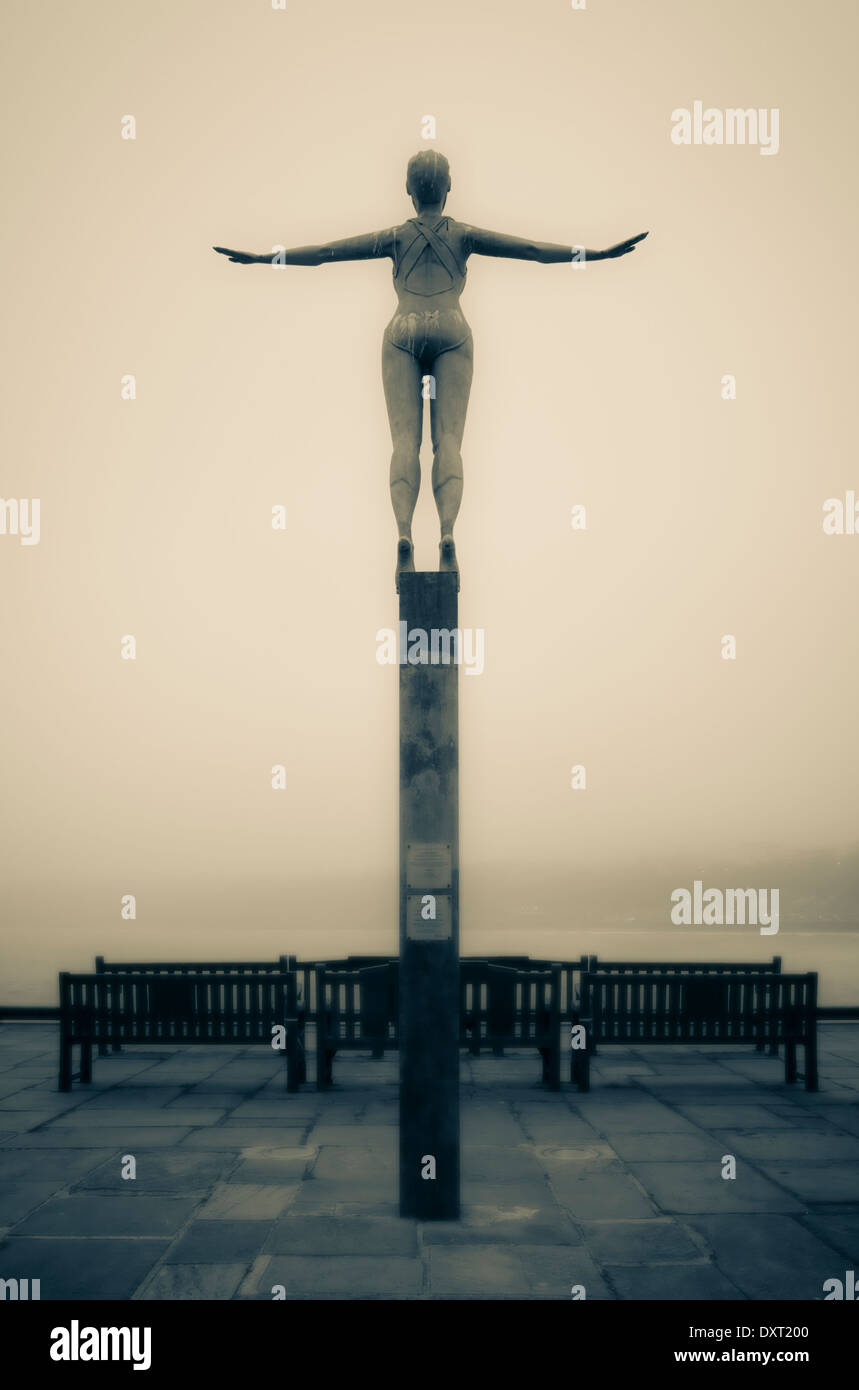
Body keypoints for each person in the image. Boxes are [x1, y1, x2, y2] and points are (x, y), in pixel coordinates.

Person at [215, 151, 646, 589]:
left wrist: (265, 258)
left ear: (408, 189)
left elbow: (326, 252)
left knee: (404, 440)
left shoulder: (394, 238)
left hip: (402, 330)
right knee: (449, 443)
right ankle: (446, 532)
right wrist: (594, 254)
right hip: (452, 331)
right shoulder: (464, 235)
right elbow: (532, 251)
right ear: (448, 188)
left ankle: (403, 532)